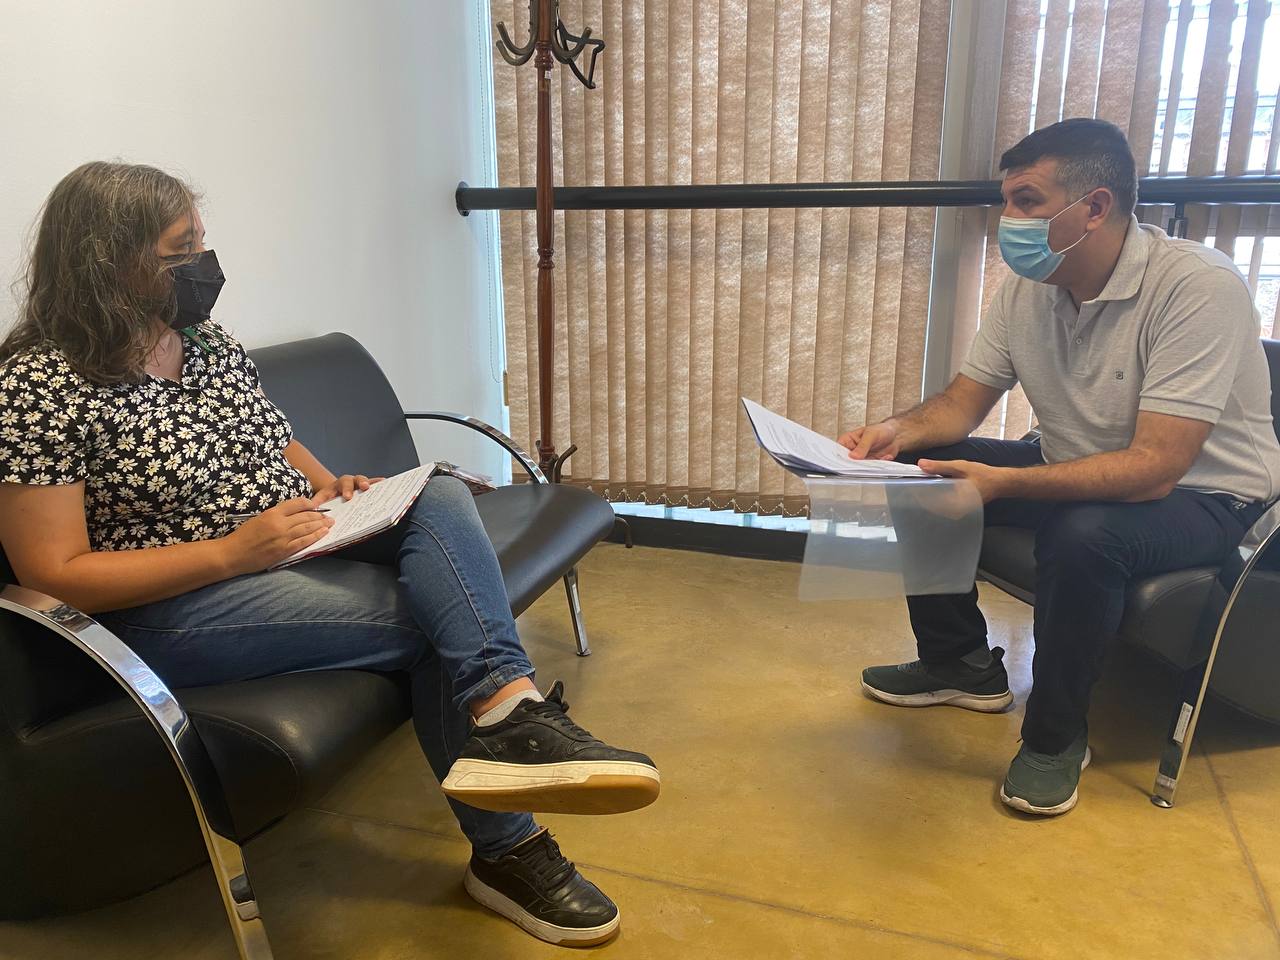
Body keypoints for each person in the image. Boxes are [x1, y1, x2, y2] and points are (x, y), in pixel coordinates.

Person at [0, 161, 660, 946]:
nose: (203, 265)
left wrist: (331, 485)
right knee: (439, 623)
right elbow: (53, 573)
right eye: (182, 251)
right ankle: (509, 847)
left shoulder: (200, 340)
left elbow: (271, 436)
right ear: (110, 261)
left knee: (437, 491)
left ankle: (508, 709)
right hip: (168, 607)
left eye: (201, 243)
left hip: (285, 544)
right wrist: (231, 554)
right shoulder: (39, 384)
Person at [840, 118, 1280, 817]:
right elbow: (960, 404)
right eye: (1006, 202)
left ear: (1095, 207)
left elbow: (1157, 468)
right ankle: (960, 663)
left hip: (1208, 496)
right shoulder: (1029, 289)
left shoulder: (1198, 286)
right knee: (924, 469)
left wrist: (1004, 484)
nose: (1007, 221)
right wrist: (896, 432)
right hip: (1077, 463)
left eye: (1026, 201)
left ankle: (1054, 737)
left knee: (1084, 534)